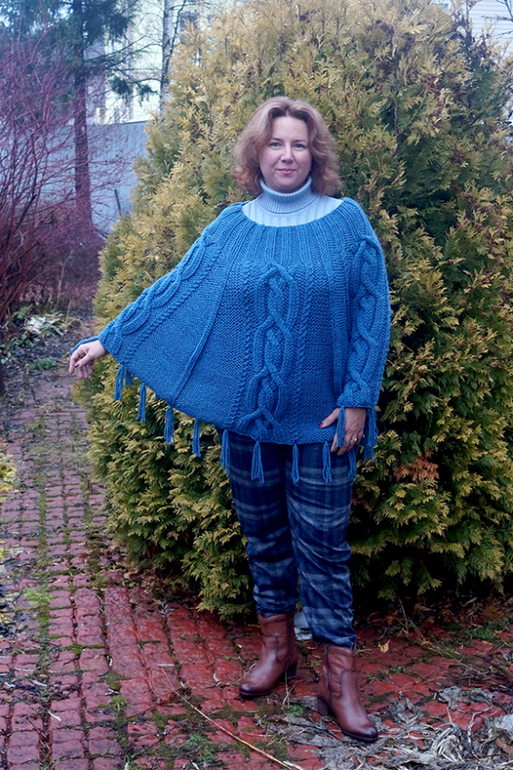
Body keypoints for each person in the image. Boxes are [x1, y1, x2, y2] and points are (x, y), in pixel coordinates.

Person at [69, 96, 390, 743]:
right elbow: (177, 290)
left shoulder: (346, 223)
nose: (287, 155)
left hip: (324, 425)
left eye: (298, 144)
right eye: (275, 143)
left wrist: (358, 396)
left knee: (324, 552)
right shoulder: (230, 227)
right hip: (248, 424)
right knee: (263, 540)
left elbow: (371, 308)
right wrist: (112, 338)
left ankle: (339, 680)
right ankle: (278, 649)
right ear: (257, 153)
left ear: (314, 154)